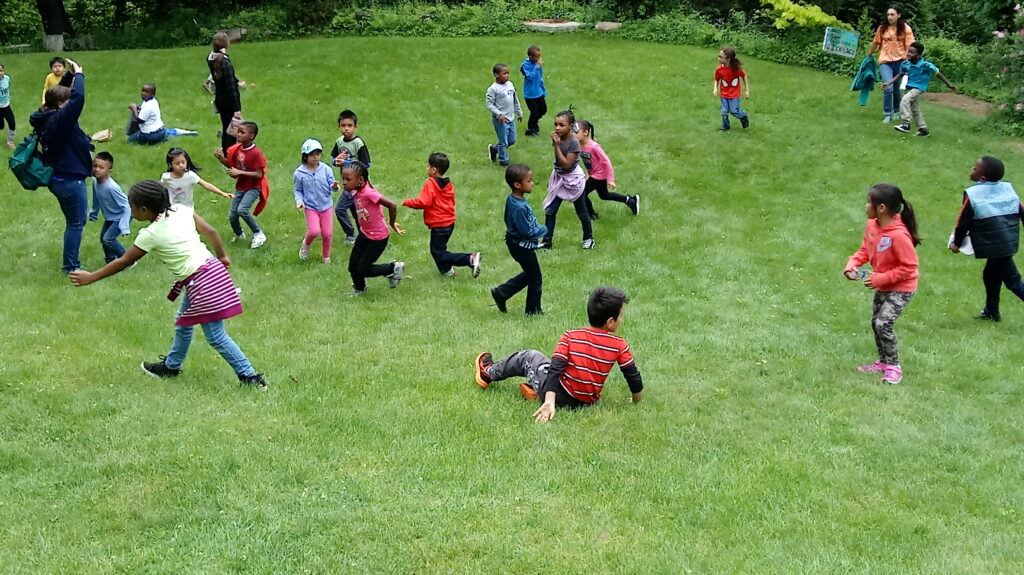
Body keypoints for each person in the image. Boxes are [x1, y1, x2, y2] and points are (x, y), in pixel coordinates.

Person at [68, 180, 267, 389]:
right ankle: (171, 367)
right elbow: (212, 232)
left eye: (131, 205)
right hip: (211, 270)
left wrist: (91, 277)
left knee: (216, 336)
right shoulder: (181, 210)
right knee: (183, 321)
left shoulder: (150, 234)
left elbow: (124, 261)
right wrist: (223, 257)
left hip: (201, 281)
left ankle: (250, 377)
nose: (130, 209)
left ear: (143, 209)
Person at [474, 286, 644, 422]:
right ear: (610, 322)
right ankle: (535, 390)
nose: (621, 319)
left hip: (560, 398)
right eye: (621, 316)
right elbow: (632, 376)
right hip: (588, 402)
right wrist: (636, 400)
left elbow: (555, 369)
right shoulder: (619, 345)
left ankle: (488, 372)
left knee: (530, 357)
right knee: (547, 368)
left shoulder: (570, 337)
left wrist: (549, 402)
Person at [844, 183, 920, 385]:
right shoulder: (872, 226)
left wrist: (880, 278)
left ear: (882, 208)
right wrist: (852, 264)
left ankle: (894, 367)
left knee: (883, 323)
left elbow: (909, 267)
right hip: (884, 284)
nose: (866, 206)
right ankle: (883, 362)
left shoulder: (898, 235)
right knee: (875, 322)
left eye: (869, 202)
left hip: (902, 288)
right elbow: (865, 251)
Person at [29, 57, 92, 273]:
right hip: (69, 179)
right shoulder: (60, 121)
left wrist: (68, 76)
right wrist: (80, 76)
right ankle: (71, 266)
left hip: (59, 176)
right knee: (76, 223)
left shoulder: (44, 114)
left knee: (73, 221)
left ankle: (70, 263)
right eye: (65, 103)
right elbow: (78, 99)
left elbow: (58, 94)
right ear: (60, 105)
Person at [950, 156, 1024, 322]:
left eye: (974, 168)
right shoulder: (1007, 190)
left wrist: (956, 243)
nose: (971, 169)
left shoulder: (974, 194)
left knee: (1014, 282)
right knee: (990, 274)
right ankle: (991, 311)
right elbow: (1021, 209)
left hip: (995, 245)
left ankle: (991, 311)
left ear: (982, 178)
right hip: (1007, 242)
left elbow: (963, 222)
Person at [402, 152, 481, 278]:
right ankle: (448, 271)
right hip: (449, 223)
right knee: (439, 250)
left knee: (438, 252)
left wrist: (406, 202)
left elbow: (424, 202)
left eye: (428, 166)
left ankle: (470, 259)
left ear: (433, 170)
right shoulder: (448, 184)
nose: (426, 168)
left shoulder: (431, 183)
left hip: (440, 225)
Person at [490, 163, 547, 315]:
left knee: (531, 274)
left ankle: (502, 292)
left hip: (516, 243)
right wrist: (543, 229)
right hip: (521, 247)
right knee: (536, 278)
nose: (532, 183)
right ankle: (533, 311)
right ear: (517, 184)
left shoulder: (513, 200)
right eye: (529, 181)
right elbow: (527, 231)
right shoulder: (519, 207)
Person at [343, 161, 406, 295]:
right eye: (343, 179)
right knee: (353, 267)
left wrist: (392, 223)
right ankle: (360, 289)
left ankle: (393, 268)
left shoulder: (369, 193)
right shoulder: (355, 189)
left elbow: (392, 205)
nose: (344, 182)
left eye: (348, 179)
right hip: (364, 233)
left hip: (377, 238)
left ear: (360, 180)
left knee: (363, 269)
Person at [542, 109, 593, 250]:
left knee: (582, 212)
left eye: (561, 125)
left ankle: (588, 238)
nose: (557, 128)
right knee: (550, 211)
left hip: (573, 181)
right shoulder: (558, 138)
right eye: (556, 124)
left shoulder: (574, 143)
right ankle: (547, 242)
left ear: (571, 126)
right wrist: (556, 144)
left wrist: (556, 145)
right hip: (559, 179)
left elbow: (566, 164)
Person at [884, 42, 957, 137]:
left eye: (912, 53)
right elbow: (900, 75)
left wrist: (949, 84)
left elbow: (938, 74)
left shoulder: (926, 65)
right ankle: (923, 129)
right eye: (908, 52)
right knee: (915, 109)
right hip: (909, 87)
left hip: (919, 88)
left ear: (919, 55)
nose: (909, 54)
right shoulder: (906, 64)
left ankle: (906, 124)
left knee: (905, 100)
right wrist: (889, 82)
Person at [214, 121, 268, 249]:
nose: (238, 134)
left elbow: (259, 174)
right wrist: (221, 158)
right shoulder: (238, 150)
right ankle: (239, 234)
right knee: (233, 215)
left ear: (251, 136)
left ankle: (258, 233)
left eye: (242, 132)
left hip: (254, 187)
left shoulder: (256, 153)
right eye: (238, 131)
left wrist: (239, 172)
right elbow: (233, 167)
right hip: (241, 187)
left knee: (242, 210)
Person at [578, 119, 638, 220]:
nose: (573, 134)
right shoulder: (580, 145)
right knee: (604, 195)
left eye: (576, 131)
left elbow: (606, 162)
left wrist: (610, 179)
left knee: (581, 193)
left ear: (585, 132)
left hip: (599, 176)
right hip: (594, 174)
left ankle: (591, 215)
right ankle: (630, 200)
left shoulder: (594, 147)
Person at [867, 6, 916, 123]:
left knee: (896, 89)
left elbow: (910, 45)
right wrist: (869, 55)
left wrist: (910, 60)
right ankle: (887, 114)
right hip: (885, 61)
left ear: (898, 15)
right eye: (888, 15)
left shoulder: (905, 29)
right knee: (888, 87)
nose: (889, 17)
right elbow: (876, 41)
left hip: (900, 62)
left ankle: (896, 111)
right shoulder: (882, 28)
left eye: (892, 14)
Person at [294, 138, 339, 264]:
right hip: (311, 206)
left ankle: (326, 256)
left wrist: (334, 187)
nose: (315, 158)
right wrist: (299, 201)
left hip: (326, 205)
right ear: (305, 156)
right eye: (312, 155)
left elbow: (332, 184)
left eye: (318, 154)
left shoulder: (326, 169)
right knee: (314, 231)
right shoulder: (299, 173)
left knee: (327, 233)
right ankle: (306, 244)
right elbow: (298, 190)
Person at [331, 109, 371, 245]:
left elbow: (366, 164)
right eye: (343, 125)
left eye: (349, 125)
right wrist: (336, 161)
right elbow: (334, 159)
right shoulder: (339, 142)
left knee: (340, 209)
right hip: (348, 183)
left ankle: (351, 235)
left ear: (355, 127)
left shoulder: (358, 143)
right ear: (339, 127)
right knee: (356, 211)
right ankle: (364, 235)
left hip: (357, 185)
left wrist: (347, 162)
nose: (346, 129)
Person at [87, 152, 130, 264]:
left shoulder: (112, 187)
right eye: (95, 166)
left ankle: (128, 260)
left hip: (120, 217)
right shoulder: (95, 181)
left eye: (101, 167)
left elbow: (126, 206)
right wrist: (94, 213)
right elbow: (96, 198)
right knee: (104, 239)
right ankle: (110, 262)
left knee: (108, 239)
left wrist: (124, 226)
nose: (97, 169)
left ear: (109, 171)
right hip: (110, 217)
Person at [126, 83, 198, 145]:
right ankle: (161, 138)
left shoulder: (148, 106)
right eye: (143, 91)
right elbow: (144, 112)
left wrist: (134, 108)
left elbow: (139, 120)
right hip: (161, 130)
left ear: (153, 94)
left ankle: (155, 141)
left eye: (147, 92)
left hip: (150, 135)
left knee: (130, 140)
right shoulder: (154, 101)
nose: (143, 93)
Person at [207, 32, 243, 152]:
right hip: (228, 101)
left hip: (220, 99)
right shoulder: (225, 63)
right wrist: (236, 109)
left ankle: (227, 151)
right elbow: (231, 87)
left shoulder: (211, 58)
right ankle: (230, 154)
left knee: (226, 126)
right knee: (232, 130)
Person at [161, 148, 231, 207]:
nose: (181, 165)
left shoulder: (190, 175)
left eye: (183, 162)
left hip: (188, 209)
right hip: (172, 209)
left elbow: (206, 185)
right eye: (177, 163)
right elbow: (159, 190)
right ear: (171, 164)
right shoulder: (166, 177)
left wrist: (222, 193)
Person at [485, 63, 523, 167]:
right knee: (503, 142)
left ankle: (494, 149)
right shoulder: (493, 89)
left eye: (508, 73)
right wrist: (499, 114)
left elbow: (515, 99)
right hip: (500, 120)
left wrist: (519, 112)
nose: (507, 75)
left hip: (510, 118)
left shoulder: (510, 85)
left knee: (512, 140)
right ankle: (504, 161)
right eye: (504, 73)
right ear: (497, 75)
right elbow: (489, 104)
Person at [713, 46, 750, 131]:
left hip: (734, 94)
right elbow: (716, 79)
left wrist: (747, 90)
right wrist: (715, 88)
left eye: (721, 57)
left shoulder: (736, 68)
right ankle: (725, 127)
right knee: (724, 111)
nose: (718, 58)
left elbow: (744, 76)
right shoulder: (719, 69)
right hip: (724, 94)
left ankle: (743, 115)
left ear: (728, 59)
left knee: (734, 111)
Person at [520, 45, 546, 137]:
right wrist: (537, 66)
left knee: (543, 110)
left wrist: (543, 89)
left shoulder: (536, 64)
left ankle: (534, 121)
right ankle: (531, 129)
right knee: (534, 112)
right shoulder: (525, 65)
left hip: (539, 92)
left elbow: (539, 78)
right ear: (530, 56)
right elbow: (530, 77)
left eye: (539, 56)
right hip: (530, 94)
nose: (539, 58)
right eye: (537, 57)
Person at [0, 62, 15, 148]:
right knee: (1, 126)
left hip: (6, 106)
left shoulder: (7, 78)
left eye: (1, 70)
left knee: (12, 123)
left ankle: (10, 142)